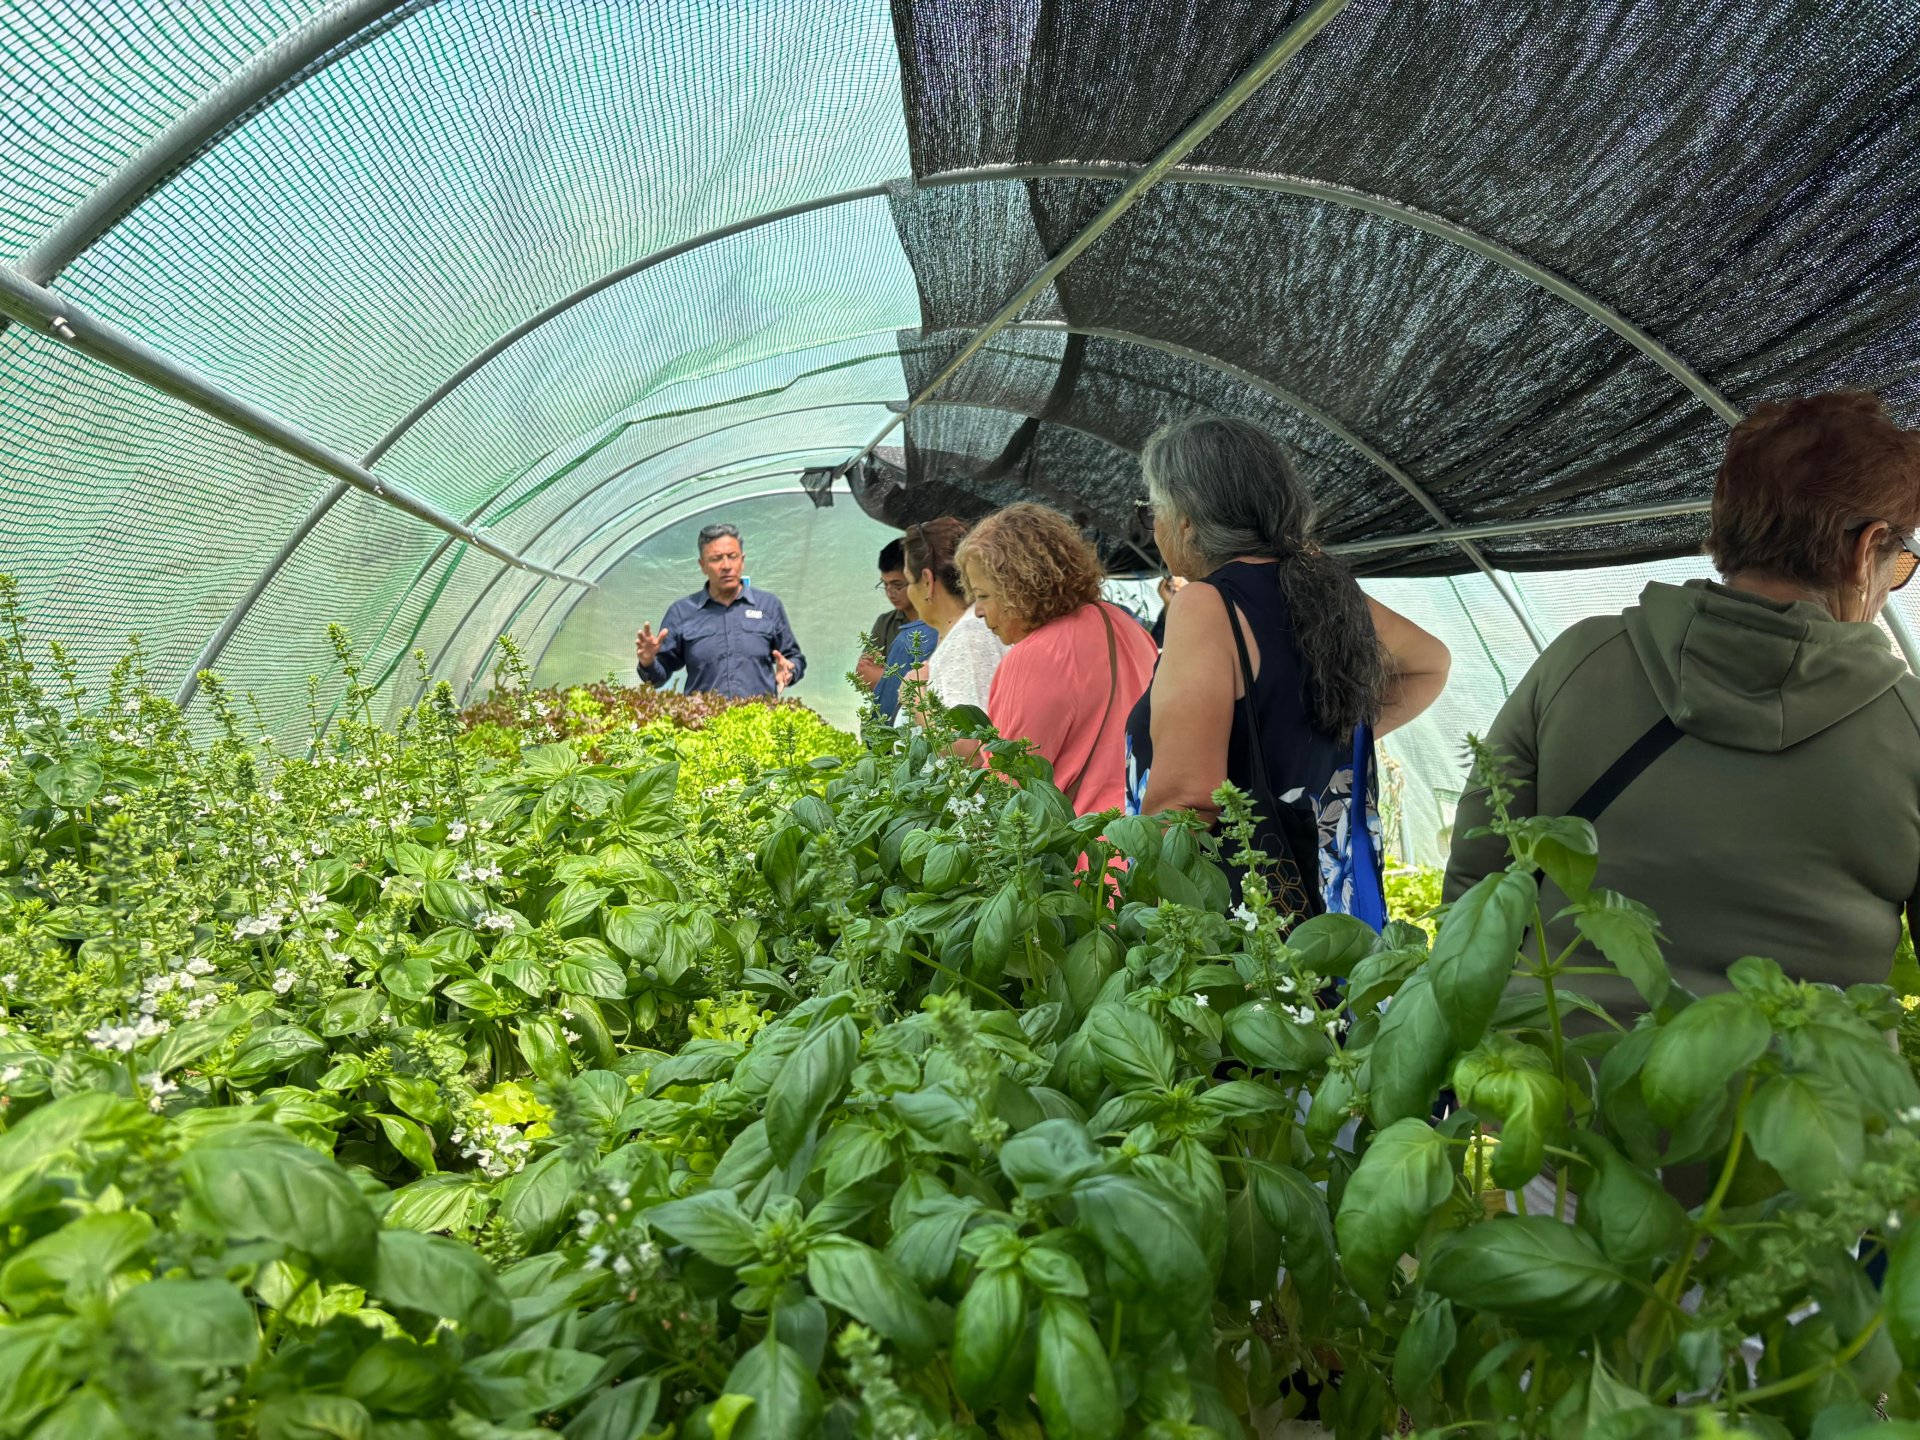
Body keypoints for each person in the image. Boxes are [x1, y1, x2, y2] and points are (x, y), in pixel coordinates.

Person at [1445, 389, 1920, 1010]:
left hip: (1560, 1063)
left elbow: (1478, 885)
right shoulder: (1910, 726)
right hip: (1806, 1072)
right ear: (1865, 550)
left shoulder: (1580, 659)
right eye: (1901, 564)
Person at [1128, 417, 1450, 914]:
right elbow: (1429, 663)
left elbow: (1186, 800)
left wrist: (1141, 915)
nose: (1153, 527)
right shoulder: (1324, 591)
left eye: (1153, 510)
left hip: (1244, 916)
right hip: (1330, 910)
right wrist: (1322, 734)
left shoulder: (1205, 605)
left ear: (1185, 519)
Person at [955, 504, 1158, 815]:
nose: (978, 611)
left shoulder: (1034, 656)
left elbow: (1009, 787)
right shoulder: (1124, 624)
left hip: (1083, 840)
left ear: (1017, 588)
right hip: (1146, 828)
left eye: (983, 595)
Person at [634, 523, 805, 698]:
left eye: (732, 556)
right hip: (703, 715)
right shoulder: (681, 612)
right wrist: (648, 662)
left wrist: (790, 671)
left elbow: (794, 657)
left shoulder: (768, 605)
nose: (726, 565)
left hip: (760, 715)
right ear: (702, 565)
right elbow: (658, 677)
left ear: (742, 561)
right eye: (716, 559)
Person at [899, 517, 1007, 714]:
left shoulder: (969, 637)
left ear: (927, 581)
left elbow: (967, 733)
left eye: (908, 581)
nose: (908, 593)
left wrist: (914, 698)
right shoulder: (967, 629)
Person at [855, 539, 923, 717]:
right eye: (885, 585)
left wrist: (882, 676)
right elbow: (862, 675)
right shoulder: (885, 622)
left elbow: (928, 685)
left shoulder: (934, 623)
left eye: (897, 585)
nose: (890, 592)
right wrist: (889, 677)